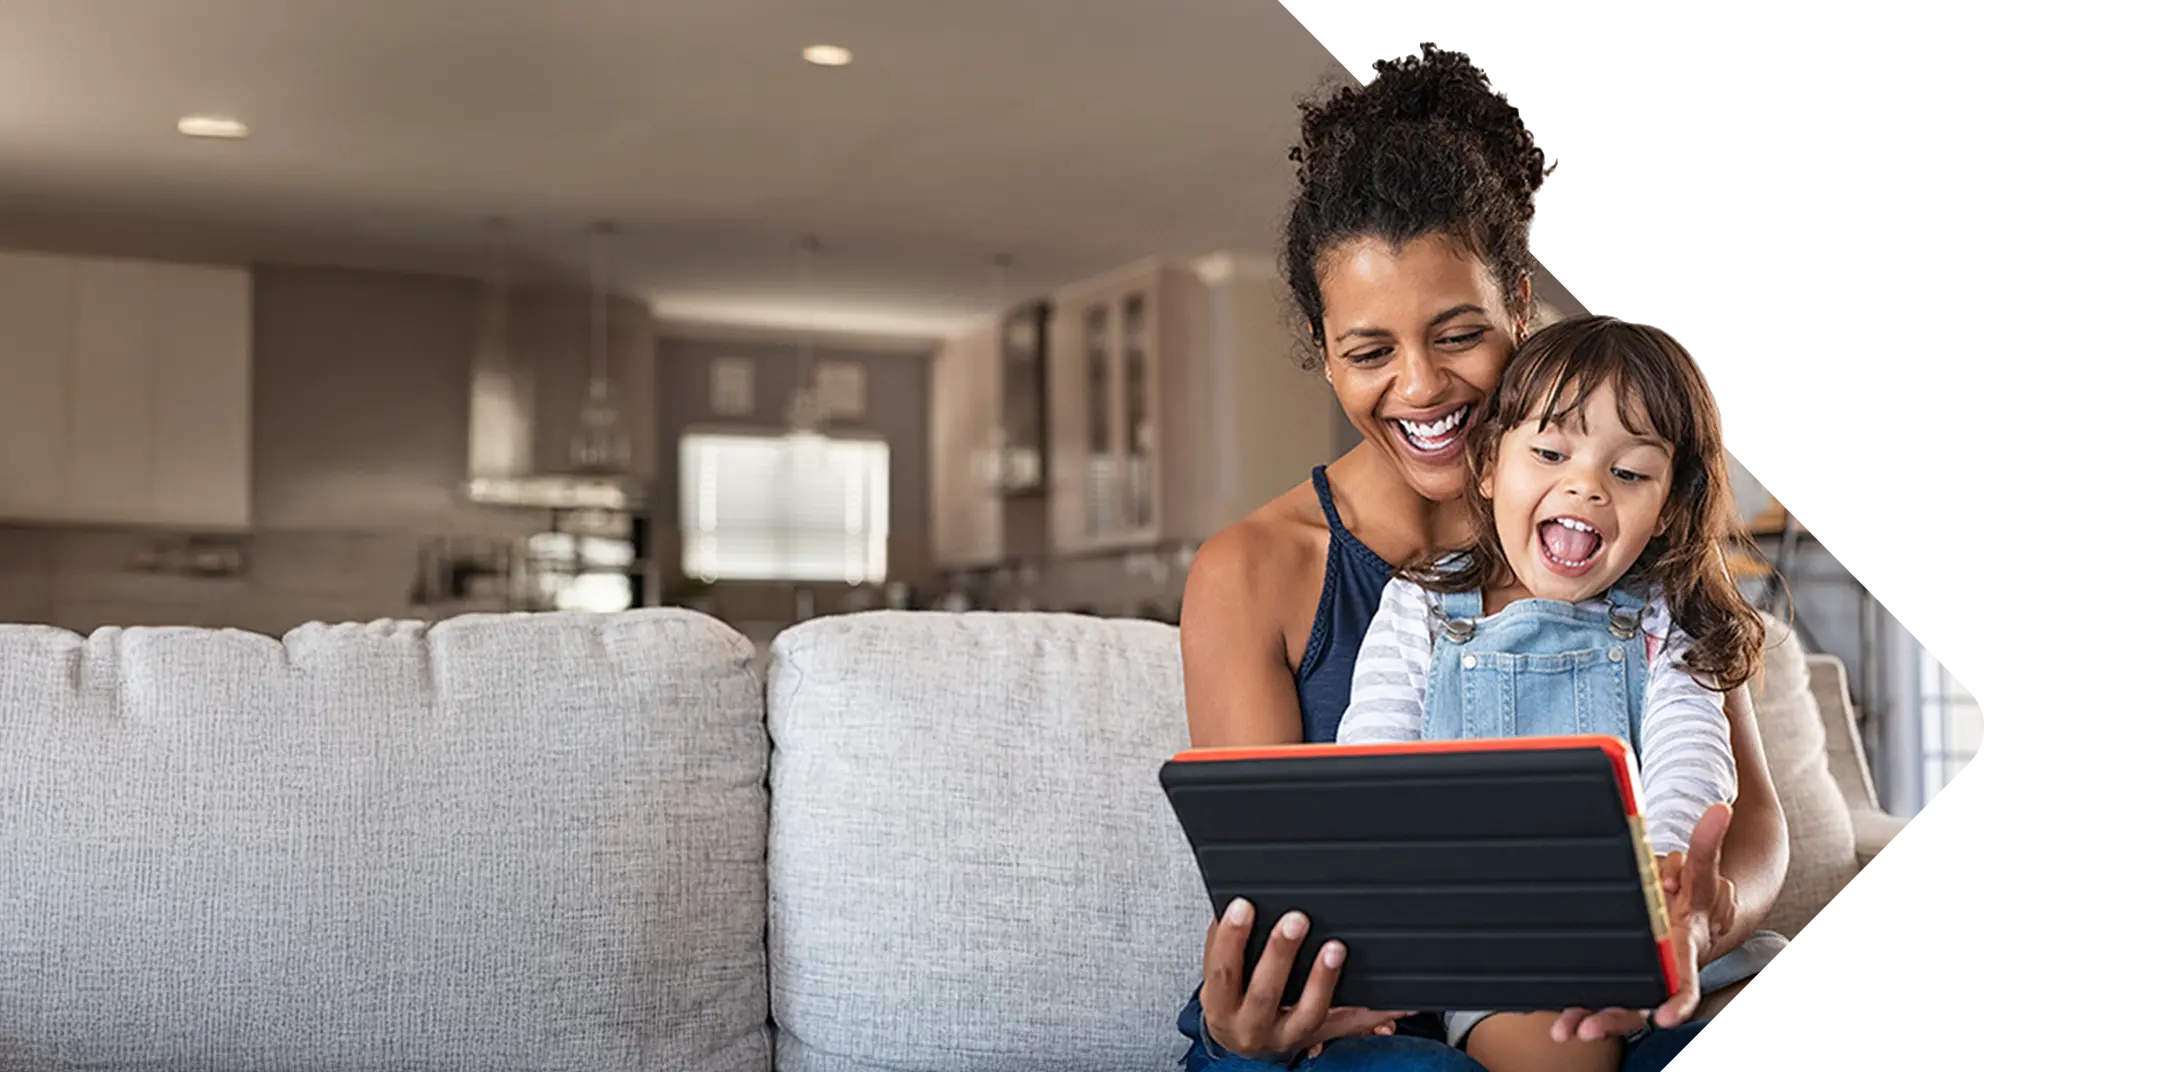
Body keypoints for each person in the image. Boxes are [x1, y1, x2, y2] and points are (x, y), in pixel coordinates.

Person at [1175, 41, 1789, 1072]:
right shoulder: (1259, 569)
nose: (1420, 388)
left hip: (1636, 965)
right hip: (1386, 1009)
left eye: (1457, 334)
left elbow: (1752, 823)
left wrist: (1687, 930)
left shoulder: (1621, 532)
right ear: (1325, 356)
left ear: (1518, 300)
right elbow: (1283, 880)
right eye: (1370, 351)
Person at [1336, 313, 1768, 1069]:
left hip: (1662, 931)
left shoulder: (1667, 615)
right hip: (1512, 956)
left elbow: (1692, 753)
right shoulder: (1420, 607)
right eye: (1549, 451)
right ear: (1490, 466)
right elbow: (1369, 772)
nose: (1586, 485)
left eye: (1629, 472)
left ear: (1665, 508)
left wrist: (1663, 886)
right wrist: (1373, 949)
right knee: (1564, 1049)